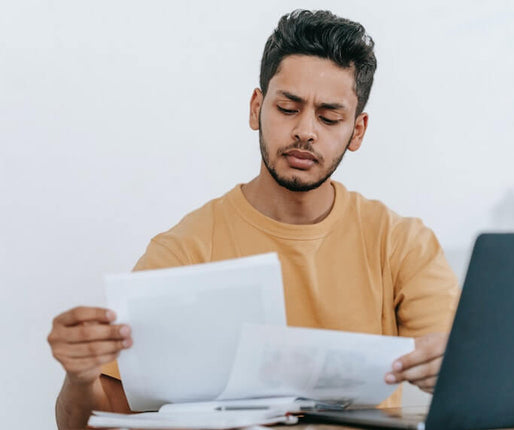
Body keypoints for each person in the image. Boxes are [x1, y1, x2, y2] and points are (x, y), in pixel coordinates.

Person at [47, 9, 459, 430]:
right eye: (287, 108)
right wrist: (78, 377)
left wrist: (452, 369)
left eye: (329, 117)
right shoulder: (188, 248)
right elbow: (90, 420)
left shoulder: (400, 242)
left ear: (357, 131)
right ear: (256, 108)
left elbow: (464, 380)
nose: (305, 131)